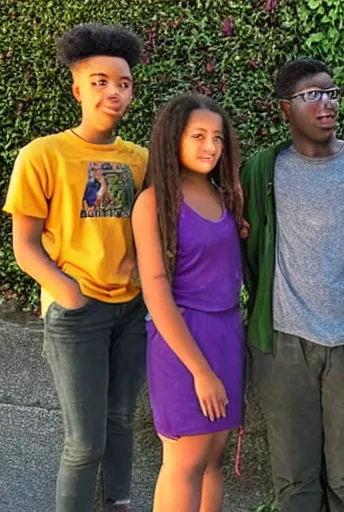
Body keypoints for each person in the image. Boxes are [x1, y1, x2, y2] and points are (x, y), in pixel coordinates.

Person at [240, 57, 344, 511]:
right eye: (312, 95)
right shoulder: (262, 170)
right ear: (284, 110)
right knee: (294, 478)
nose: (326, 103)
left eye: (331, 92)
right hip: (283, 340)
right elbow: (232, 237)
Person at [3, 24, 148, 512]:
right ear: (78, 88)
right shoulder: (42, 154)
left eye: (124, 83)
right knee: (84, 442)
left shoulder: (140, 160)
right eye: (101, 81)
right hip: (77, 316)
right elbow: (25, 246)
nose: (114, 91)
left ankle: (119, 504)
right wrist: (68, 293)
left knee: (121, 421)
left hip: (131, 311)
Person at [131, 94, 245, 512]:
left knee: (213, 459)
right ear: (172, 139)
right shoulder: (154, 202)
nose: (210, 147)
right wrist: (200, 371)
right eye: (197, 136)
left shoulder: (226, 195)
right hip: (182, 340)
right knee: (185, 460)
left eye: (217, 137)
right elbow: (156, 291)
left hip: (228, 333)